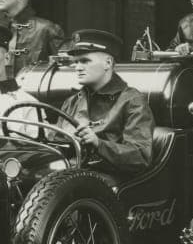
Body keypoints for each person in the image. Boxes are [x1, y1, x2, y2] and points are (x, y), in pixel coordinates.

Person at [59, 30, 155, 177]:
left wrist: (98, 144)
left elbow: (140, 157)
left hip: (107, 180)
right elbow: (56, 145)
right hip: (69, 176)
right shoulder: (72, 101)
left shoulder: (132, 100)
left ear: (108, 63)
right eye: (76, 62)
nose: (77, 67)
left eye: (85, 61)